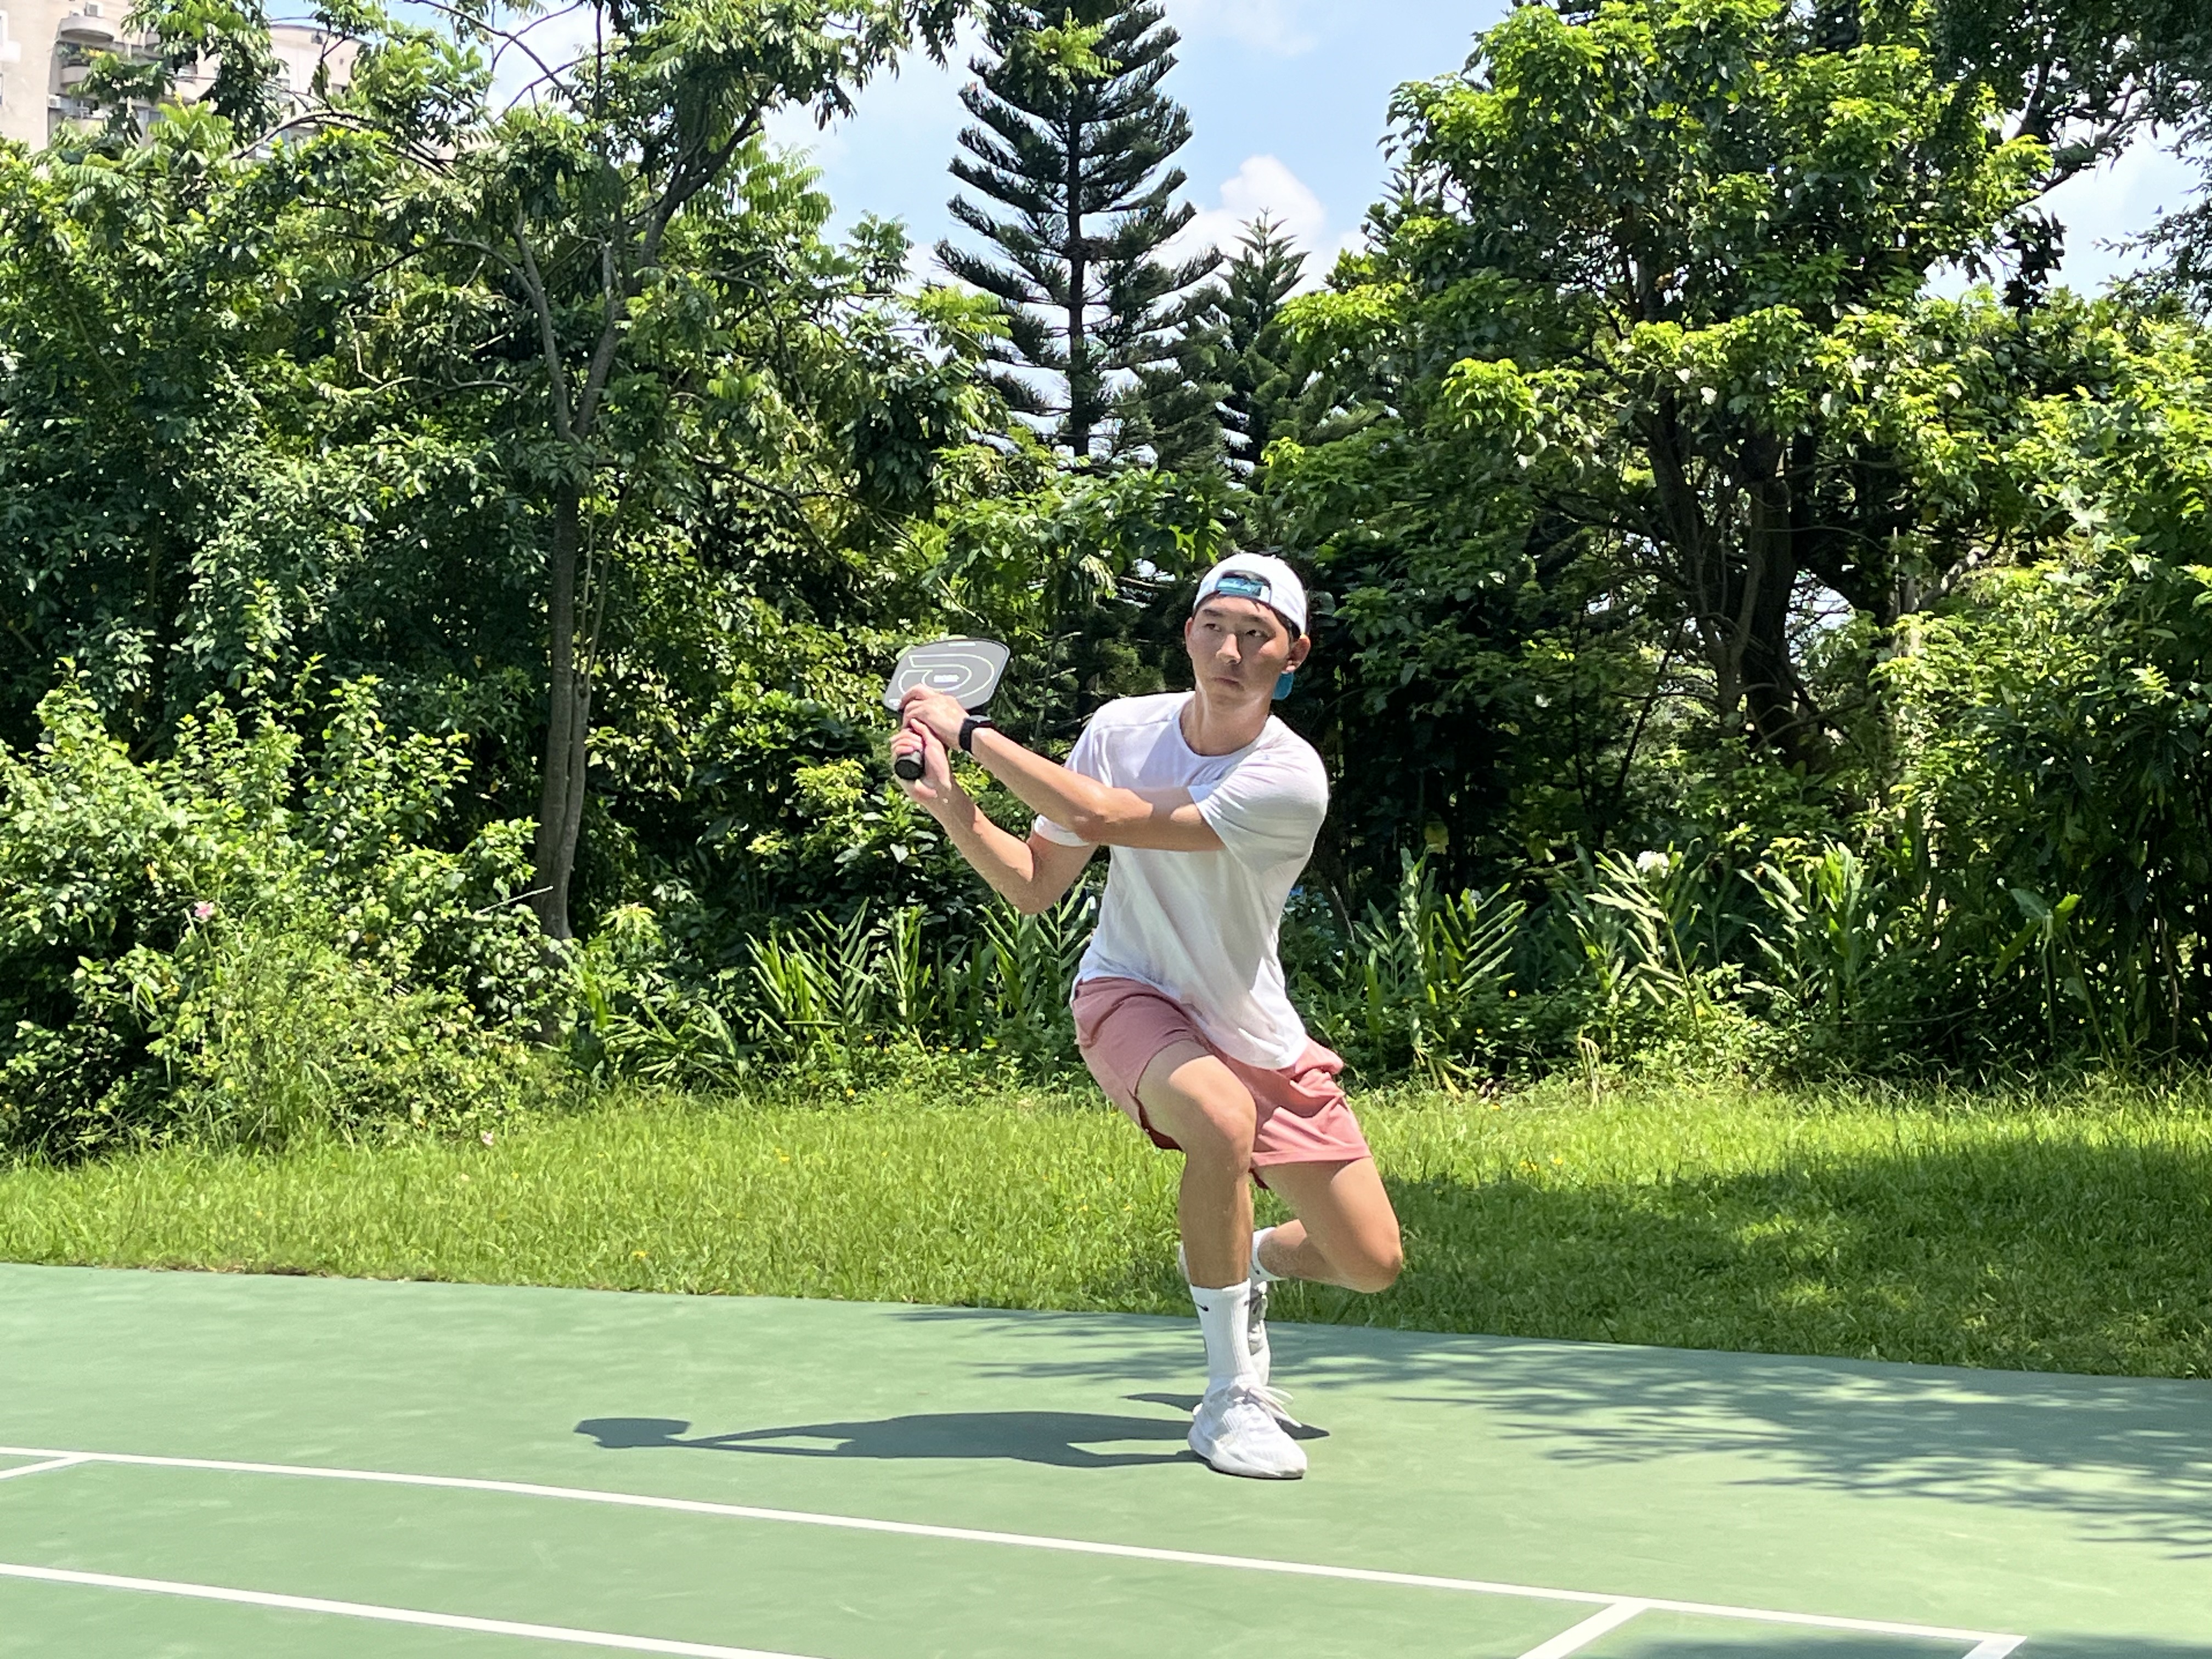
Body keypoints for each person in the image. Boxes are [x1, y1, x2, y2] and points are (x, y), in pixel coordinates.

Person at [890, 554, 1403, 1481]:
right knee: (1218, 1121)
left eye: (1258, 636)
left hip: (1254, 1025)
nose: (1232, 650)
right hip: (1130, 993)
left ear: (1292, 657)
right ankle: (1229, 1397)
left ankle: (1243, 1260)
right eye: (1216, 627)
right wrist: (956, 810)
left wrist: (970, 733)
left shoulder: (1288, 778)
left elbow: (1110, 816)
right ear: (1189, 635)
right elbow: (1038, 886)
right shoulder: (1122, 728)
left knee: (1369, 1262)